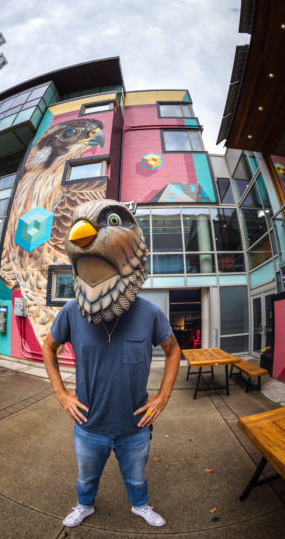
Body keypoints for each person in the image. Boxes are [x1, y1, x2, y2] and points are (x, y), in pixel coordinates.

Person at [41, 199, 182, 528]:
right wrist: (61, 394)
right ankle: (84, 506)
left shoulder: (150, 313)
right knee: (86, 479)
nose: (82, 231)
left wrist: (163, 397)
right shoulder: (70, 312)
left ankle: (140, 505)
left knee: (136, 478)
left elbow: (174, 351)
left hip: (135, 428)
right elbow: (50, 349)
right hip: (88, 427)